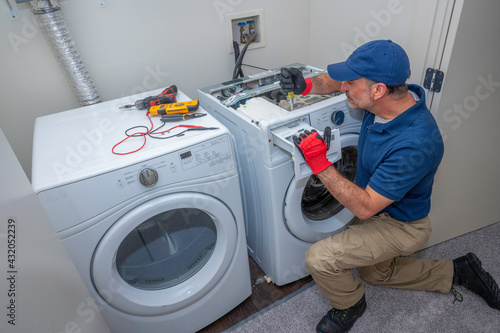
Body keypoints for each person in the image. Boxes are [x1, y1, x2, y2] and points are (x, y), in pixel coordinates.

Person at [279, 39, 500, 333]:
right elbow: (335, 81)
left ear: (378, 90)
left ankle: (350, 304)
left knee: (319, 259)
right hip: (379, 208)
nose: (343, 87)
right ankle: (457, 271)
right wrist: (305, 85)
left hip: (401, 225)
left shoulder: (416, 142)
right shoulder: (385, 99)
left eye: (351, 83)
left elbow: (365, 207)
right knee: (377, 275)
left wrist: (319, 164)